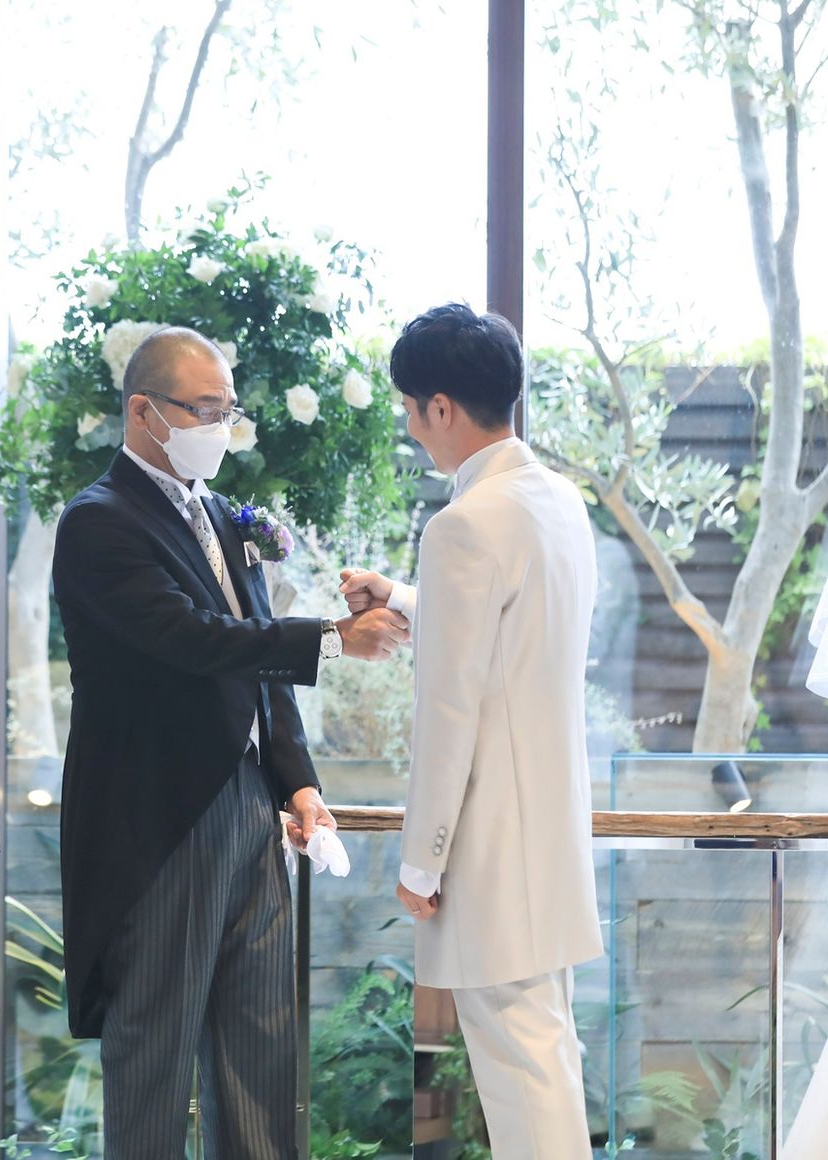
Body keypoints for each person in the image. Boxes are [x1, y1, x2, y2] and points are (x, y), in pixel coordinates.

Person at [53, 326, 409, 1159]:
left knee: (261, 1045)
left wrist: (297, 782)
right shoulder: (98, 521)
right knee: (155, 1052)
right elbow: (190, 637)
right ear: (143, 412)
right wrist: (332, 637)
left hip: (251, 804)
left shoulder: (221, 515)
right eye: (203, 410)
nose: (221, 427)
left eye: (227, 410)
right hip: (162, 817)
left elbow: (257, 664)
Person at [342, 304, 603, 1158]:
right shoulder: (556, 501)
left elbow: (449, 709)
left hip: (492, 850)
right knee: (546, 1061)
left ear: (442, 406)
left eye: (411, 409)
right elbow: (513, 638)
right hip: (550, 835)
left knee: (524, 1076)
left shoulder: (463, 525)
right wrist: (405, 599)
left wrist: (421, 860)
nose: (412, 428)